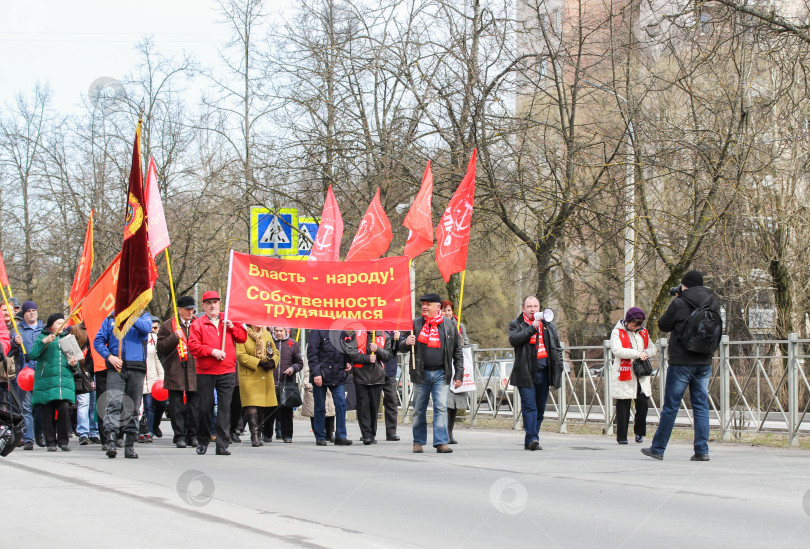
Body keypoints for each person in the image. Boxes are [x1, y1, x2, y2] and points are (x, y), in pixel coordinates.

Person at [643, 270, 720, 462]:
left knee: (671, 406)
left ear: (684, 285)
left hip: (682, 362)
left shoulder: (679, 303)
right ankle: (702, 451)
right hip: (704, 360)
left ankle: (658, 448)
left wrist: (678, 300)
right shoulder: (713, 302)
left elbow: (663, 325)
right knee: (701, 406)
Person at [399, 293, 464, 454]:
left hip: (442, 373)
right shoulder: (415, 324)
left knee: (441, 407)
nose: (425, 307)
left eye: (428, 304)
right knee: (419, 409)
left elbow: (457, 352)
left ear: (438, 307)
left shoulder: (449, 325)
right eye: (423, 304)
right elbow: (399, 346)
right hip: (421, 374)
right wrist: (406, 342)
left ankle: (441, 442)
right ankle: (418, 442)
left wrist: (459, 375)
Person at [187, 291, 247, 456]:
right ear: (203, 306)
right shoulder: (198, 324)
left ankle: (222, 443)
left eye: (215, 302)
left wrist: (232, 327)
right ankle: (203, 440)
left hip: (227, 370)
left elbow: (242, 338)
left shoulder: (229, 320)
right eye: (209, 303)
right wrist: (211, 351)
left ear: (220, 303)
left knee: (224, 408)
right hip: (206, 371)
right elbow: (193, 346)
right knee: (205, 407)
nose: (212, 305)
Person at [94, 311, 152, 459]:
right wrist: (109, 357)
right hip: (116, 367)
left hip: (137, 367)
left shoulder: (143, 315)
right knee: (114, 404)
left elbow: (146, 328)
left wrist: (130, 316)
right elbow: (98, 341)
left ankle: (130, 445)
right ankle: (111, 441)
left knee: (132, 407)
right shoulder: (110, 319)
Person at [508, 296, 564, 451]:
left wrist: (559, 365)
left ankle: (531, 439)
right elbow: (514, 340)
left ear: (540, 308)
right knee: (529, 407)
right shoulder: (516, 324)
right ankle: (533, 438)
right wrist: (532, 327)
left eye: (535, 306)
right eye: (529, 306)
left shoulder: (548, 325)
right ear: (523, 308)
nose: (533, 309)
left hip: (544, 372)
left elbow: (557, 347)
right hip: (525, 372)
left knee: (539, 408)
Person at [29, 314, 77, 452]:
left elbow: (76, 363)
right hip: (47, 381)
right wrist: (44, 341)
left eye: (63, 323)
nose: (62, 326)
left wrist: (74, 364)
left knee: (64, 410)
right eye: (58, 323)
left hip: (64, 382)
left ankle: (63, 441)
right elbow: (32, 355)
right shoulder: (42, 337)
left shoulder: (68, 339)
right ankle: (50, 442)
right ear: (51, 326)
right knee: (47, 411)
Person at [156, 295, 199, 448]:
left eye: (192, 309)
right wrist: (174, 337)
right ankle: (179, 435)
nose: (190, 312)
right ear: (179, 310)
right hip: (176, 370)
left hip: (195, 370)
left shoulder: (198, 324)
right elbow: (160, 348)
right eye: (187, 309)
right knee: (177, 407)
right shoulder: (168, 325)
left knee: (194, 406)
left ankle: (192, 435)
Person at [610, 307, 657, 445]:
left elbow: (652, 348)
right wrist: (637, 353)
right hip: (625, 371)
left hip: (641, 372)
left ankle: (639, 433)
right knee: (623, 404)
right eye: (634, 324)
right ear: (627, 321)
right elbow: (617, 350)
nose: (636, 327)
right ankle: (622, 435)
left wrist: (645, 353)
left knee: (643, 403)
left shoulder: (643, 332)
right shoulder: (617, 332)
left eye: (638, 324)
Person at [346, 328, 393, 445]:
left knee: (374, 407)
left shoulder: (385, 336)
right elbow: (351, 355)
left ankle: (372, 433)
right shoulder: (356, 335)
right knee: (363, 407)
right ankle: (366, 434)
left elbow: (388, 356)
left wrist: (378, 350)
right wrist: (367, 358)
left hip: (377, 377)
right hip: (361, 377)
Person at [307, 329, 353, 447]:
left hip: (337, 374)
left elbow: (346, 348)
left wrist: (347, 362)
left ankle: (341, 436)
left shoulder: (341, 331)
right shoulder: (316, 331)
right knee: (320, 407)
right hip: (321, 374)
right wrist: (316, 373)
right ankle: (320, 436)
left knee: (341, 404)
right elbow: (312, 353)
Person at [236, 325, 279, 447]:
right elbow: (241, 355)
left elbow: (275, 351)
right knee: (252, 404)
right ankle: (254, 434)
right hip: (250, 374)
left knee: (261, 406)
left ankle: (259, 433)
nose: (259, 322)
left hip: (265, 375)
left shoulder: (266, 334)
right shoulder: (242, 334)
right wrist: (258, 362)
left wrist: (273, 361)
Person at [10, 300, 45, 450]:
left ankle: (40, 435)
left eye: (34, 310)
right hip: (24, 375)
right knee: (26, 407)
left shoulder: (44, 329)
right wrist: (15, 343)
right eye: (28, 311)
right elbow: (9, 352)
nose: (32, 313)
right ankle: (28, 438)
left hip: (42, 373)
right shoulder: (16, 331)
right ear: (23, 314)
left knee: (41, 406)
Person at [441, 300, 470, 444]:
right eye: (444, 310)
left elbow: (467, 343)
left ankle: (450, 431)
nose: (447, 313)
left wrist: (460, 341)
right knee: (446, 403)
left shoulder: (460, 326)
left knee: (454, 404)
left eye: (449, 310)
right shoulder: (438, 325)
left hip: (456, 367)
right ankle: (443, 432)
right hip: (444, 367)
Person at [271, 327, 303, 443]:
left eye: (281, 331)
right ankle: (267, 434)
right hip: (271, 381)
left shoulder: (293, 344)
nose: (279, 333)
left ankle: (287, 435)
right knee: (269, 410)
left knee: (286, 410)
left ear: (286, 331)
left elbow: (299, 363)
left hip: (286, 383)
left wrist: (292, 368)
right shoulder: (269, 342)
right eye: (276, 331)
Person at [141, 317, 166, 443]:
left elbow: (157, 359)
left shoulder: (153, 339)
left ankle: (154, 426)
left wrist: (161, 378)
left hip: (152, 378)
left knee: (160, 404)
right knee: (145, 407)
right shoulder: (136, 336)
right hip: (139, 379)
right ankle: (146, 431)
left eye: (155, 328)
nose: (152, 330)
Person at [301, 360, 336, 442]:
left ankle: (329, 432)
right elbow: (307, 364)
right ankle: (319, 433)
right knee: (315, 408)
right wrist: (307, 380)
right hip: (315, 377)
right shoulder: (311, 347)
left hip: (330, 377)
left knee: (330, 408)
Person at [380, 330, 401, 441]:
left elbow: (398, 348)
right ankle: (368, 432)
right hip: (375, 370)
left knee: (392, 401)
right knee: (372, 402)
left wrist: (398, 338)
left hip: (390, 370)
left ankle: (391, 432)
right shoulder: (375, 328)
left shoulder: (395, 330)